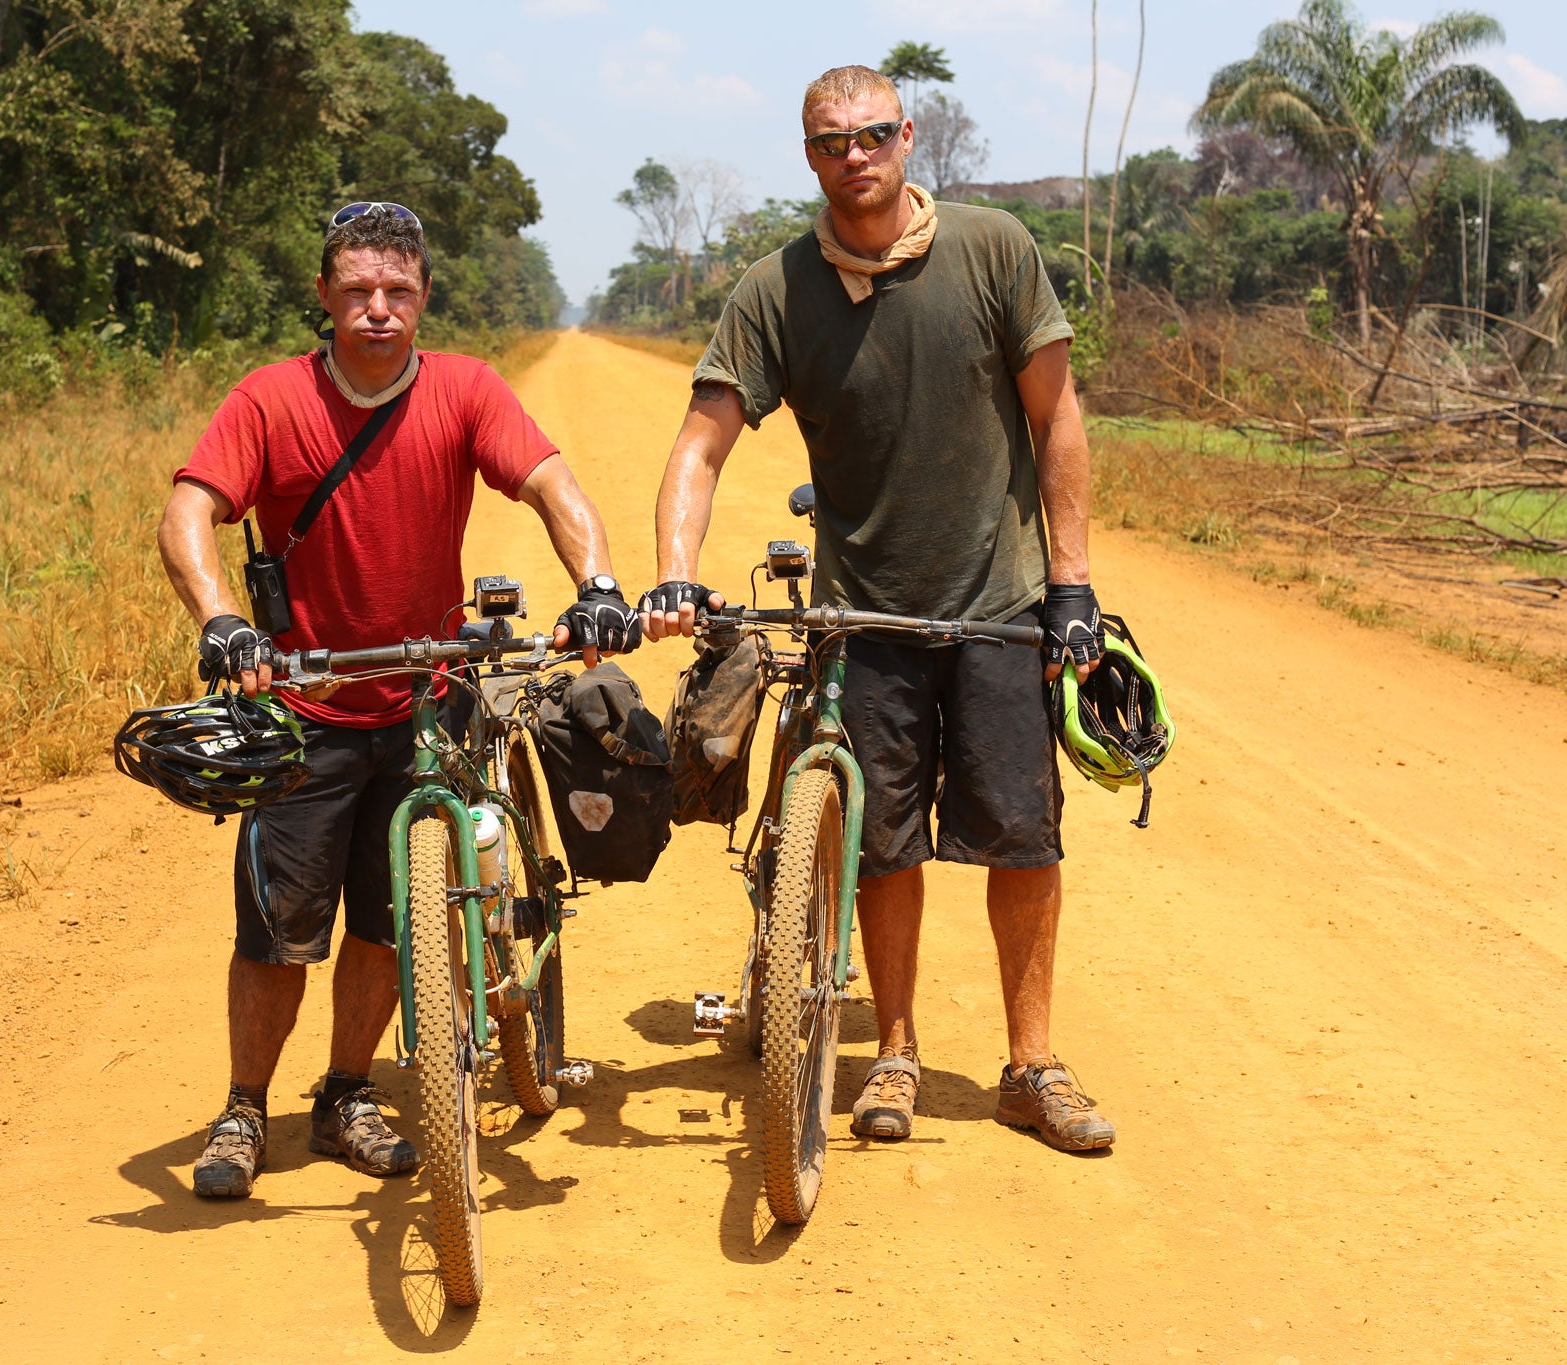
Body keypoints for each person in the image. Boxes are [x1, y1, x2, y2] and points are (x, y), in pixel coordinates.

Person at [640, 67, 1116, 1152]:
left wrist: (1073, 586)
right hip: (863, 621)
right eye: (827, 143)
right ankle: (891, 1049)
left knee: (1022, 839)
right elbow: (701, 440)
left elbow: (1055, 420)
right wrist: (672, 571)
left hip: (1000, 608)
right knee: (882, 844)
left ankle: (1030, 1068)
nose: (852, 157)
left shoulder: (993, 249)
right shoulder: (775, 289)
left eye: (869, 136)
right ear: (806, 157)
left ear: (907, 138)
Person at [157, 203, 640, 1198]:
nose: (378, 310)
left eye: (398, 292)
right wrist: (220, 621)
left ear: (423, 299)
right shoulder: (269, 400)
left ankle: (343, 1096)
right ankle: (246, 1106)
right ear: (325, 296)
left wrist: (595, 587)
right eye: (358, 292)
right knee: (277, 927)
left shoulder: (464, 390)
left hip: (424, 702)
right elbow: (191, 511)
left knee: (385, 923)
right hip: (303, 709)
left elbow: (551, 485)